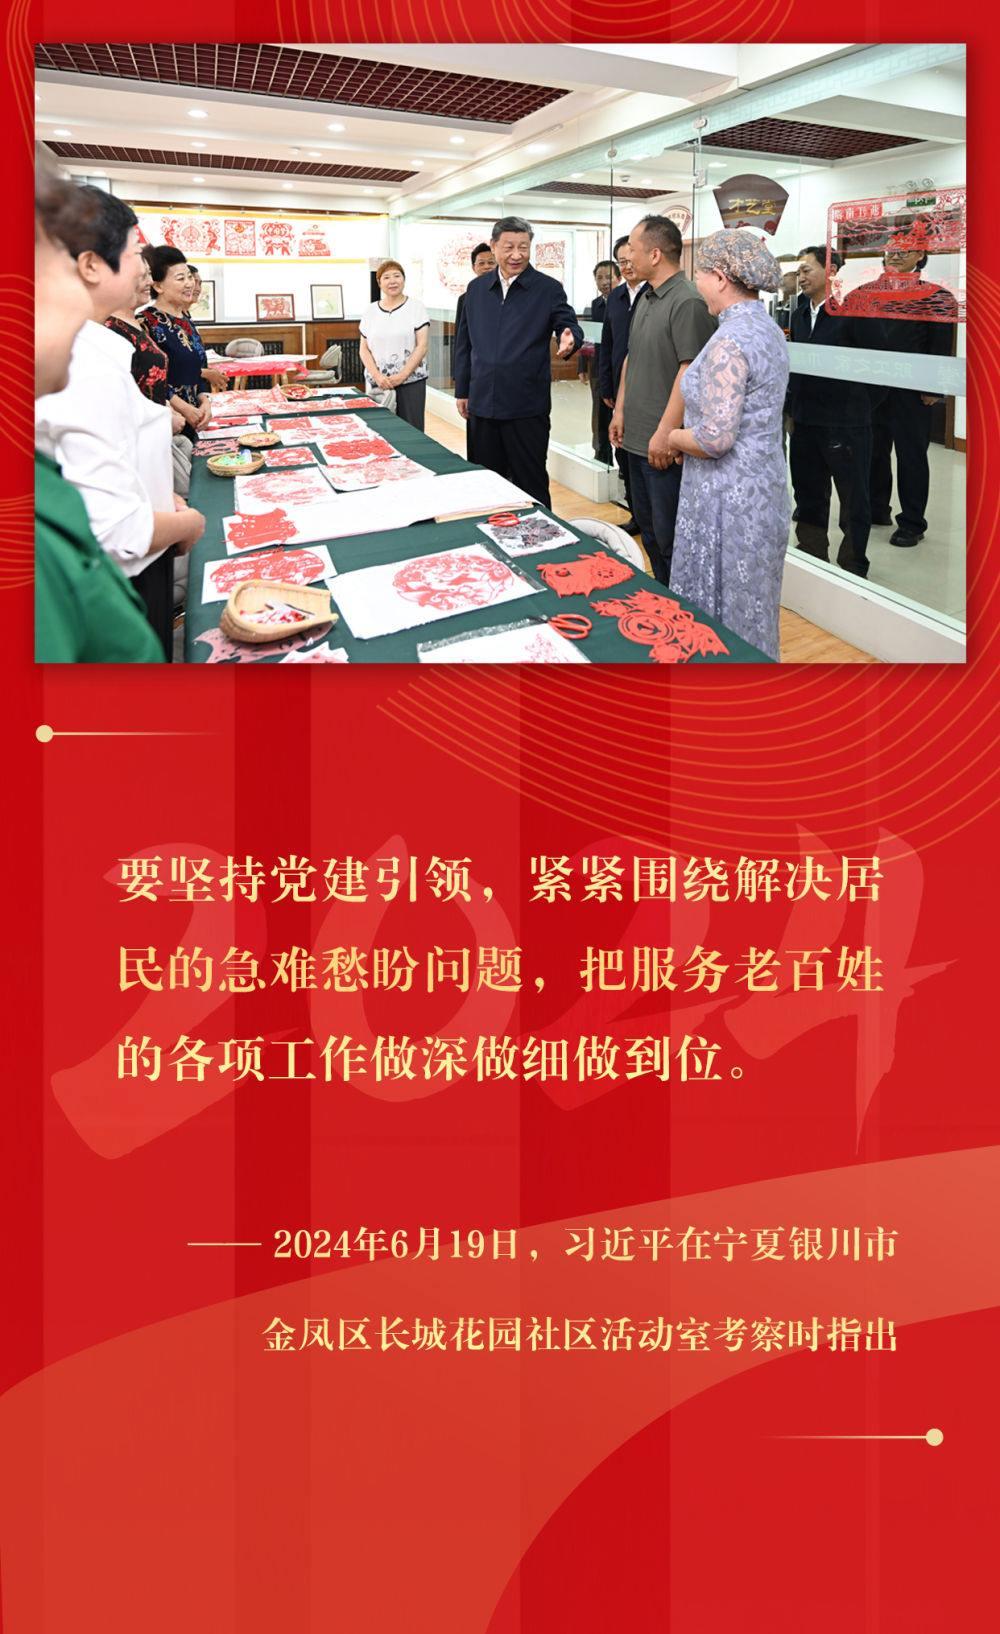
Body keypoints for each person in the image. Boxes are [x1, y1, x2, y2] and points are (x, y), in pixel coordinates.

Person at [35, 190, 205, 659]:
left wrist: (161, 498)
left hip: (146, 544)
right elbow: (116, 531)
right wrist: (187, 521)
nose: (143, 271)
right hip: (130, 569)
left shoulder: (98, 348)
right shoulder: (76, 361)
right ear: (91, 265)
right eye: (134, 254)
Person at [667, 230, 791, 662]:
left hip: (727, 500)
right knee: (753, 609)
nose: (696, 283)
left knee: (722, 617)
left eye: (699, 274)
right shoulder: (768, 330)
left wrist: (673, 436)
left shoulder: (729, 341)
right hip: (763, 490)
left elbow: (714, 438)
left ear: (720, 278)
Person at [609, 215, 716, 585]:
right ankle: (662, 599)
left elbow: (691, 370)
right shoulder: (646, 296)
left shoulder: (688, 302)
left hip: (664, 444)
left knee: (672, 538)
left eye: (633, 249)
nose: (627, 257)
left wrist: (665, 432)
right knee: (650, 532)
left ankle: (682, 607)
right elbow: (631, 356)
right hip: (636, 437)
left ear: (654, 255)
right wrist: (620, 410)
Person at [454, 215, 583, 508]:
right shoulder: (476, 290)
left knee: (530, 481)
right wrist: (462, 389)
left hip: (526, 405)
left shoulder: (548, 288)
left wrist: (569, 336)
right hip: (482, 402)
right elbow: (464, 343)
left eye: (523, 247)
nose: (516, 255)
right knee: (485, 481)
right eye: (509, 247)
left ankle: (541, 534)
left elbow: (567, 322)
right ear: (493, 246)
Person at [852, 227, 958, 546]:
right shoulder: (864, 293)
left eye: (904, 249)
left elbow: (940, 345)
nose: (895, 255)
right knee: (874, 451)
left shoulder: (937, 296)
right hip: (873, 388)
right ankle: (877, 509)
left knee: (911, 456)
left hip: (913, 391)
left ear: (920, 255)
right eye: (891, 249)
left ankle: (912, 522)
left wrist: (933, 388)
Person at [787, 246, 873, 577]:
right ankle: (812, 555)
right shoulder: (798, 314)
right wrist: (793, 410)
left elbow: (877, 368)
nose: (801, 276)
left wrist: (858, 409)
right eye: (799, 271)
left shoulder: (853, 313)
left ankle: (853, 565)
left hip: (846, 424)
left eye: (807, 270)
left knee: (852, 498)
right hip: (806, 422)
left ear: (831, 271)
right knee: (808, 494)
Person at [107, 256, 194, 500]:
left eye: (148, 274)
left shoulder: (133, 322)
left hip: (159, 434)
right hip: (139, 443)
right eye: (142, 275)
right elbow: (121, 397)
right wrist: (165, 416)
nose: (148, 282)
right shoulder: (111, 328)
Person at [141, 247, 214, 436]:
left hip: (196, 419)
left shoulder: (185, 319)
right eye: (181, 279)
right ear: (158, 286)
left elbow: (199, 370)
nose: (190, 284)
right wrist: (184, 408)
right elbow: (149, 379)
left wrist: (205, 401)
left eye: (189, 277)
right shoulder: (146, 322)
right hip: (171, 423)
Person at [599, 234, 645, 533]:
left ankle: (649, 517)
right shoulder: (616, 298)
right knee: (622, 452)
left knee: (643, 455)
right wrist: (606, 385)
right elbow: (607, 343)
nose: (627, 267)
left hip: (646, 389)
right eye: (622, 262)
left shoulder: (652, 293)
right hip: (618, 388)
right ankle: (636, 512)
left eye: (631, 260)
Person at [359, 260, 430, 429]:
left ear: (404, 280)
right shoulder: (370, 311)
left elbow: (422, 346)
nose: (392, 281)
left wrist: (402, 376)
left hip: (411, 382)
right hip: (379, 383)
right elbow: (364, 349)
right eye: (386, 277)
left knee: (411, 431)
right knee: (381, 430)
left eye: (397, 276)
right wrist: (377, 376)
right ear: (379, 283)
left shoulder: (416, 307)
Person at [579, 259, 620, 464]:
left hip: (619, 366)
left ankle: (622, 456)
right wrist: (582, 366)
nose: (604, 282)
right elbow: (589, 339)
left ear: (618, 278)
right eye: (599, 278)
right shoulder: (595, 305)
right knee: (599, 412)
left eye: (608, 277)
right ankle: (601, 453)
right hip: (597, 366)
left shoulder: (625, 301)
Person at [454, 242, 496, 346]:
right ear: (474, 267)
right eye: (481, 263)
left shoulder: (508, 294)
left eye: (491, 262)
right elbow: (460, 337)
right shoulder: (465, 299)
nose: (486, 266)